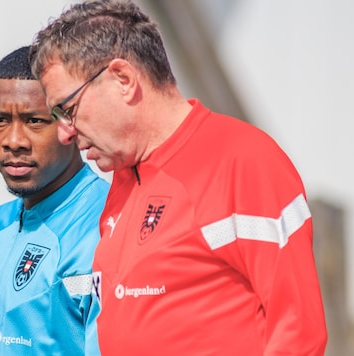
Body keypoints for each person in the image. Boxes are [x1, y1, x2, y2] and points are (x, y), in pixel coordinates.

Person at [29, 1, 328, 354]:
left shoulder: (242, 160)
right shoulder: (124, 179)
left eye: (68, 109)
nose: (64, 132)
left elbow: (297, 331)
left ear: (123, 79)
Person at [0, 46, 109, 355]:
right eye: (0, 120)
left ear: (70, 123)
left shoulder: (108, 224)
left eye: (34, 121)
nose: (14, 141)